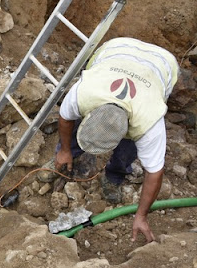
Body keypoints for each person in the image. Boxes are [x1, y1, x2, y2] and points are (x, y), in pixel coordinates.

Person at [50, 37, 179, 243]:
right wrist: (64, 149)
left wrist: (141, 216)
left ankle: (115, 175)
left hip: (161, 64)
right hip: (117, 48)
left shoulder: (148, 121)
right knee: (71, 134)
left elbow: (154, 173)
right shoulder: (83, 93)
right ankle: (66, 155)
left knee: (128, 149)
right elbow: (66, 119)